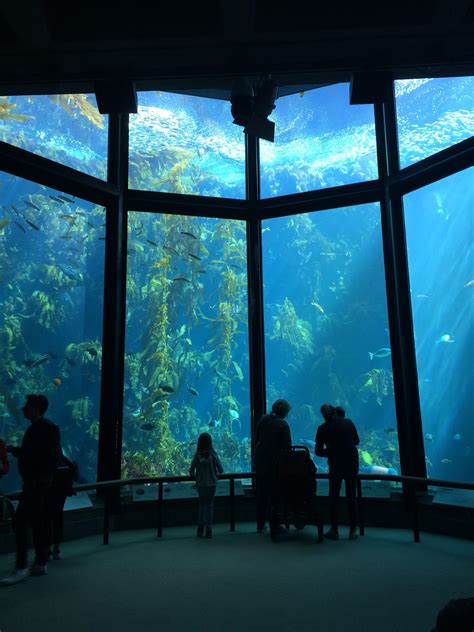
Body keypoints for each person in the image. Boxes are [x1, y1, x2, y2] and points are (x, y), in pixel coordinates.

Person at [0, 394, 60, 586]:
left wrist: (39, 478)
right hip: (37, 483)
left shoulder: (45, 429)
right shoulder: (39, 428)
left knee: (20, 523)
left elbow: (50, 457)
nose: (23, 408)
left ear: (36, 408)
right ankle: (40, 563)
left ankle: (21, 566)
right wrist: (13, 450)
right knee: (38, 523)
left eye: (27, 406)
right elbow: (32, 453)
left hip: (36, 484)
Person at [315, 403, 359, 541]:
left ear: (323, 415)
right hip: (352, 462)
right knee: (352, 495)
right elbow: (357, 441)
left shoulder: (322, 428)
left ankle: (334, 530)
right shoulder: (348, 422)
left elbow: (318, 451)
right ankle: (352, 531)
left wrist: (332, 452)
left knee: (333, 495)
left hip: (335, 464)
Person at [253, 399, 292, 534]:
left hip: (260, 461)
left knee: (262, 493)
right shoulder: (283, 425)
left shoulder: (263, 419)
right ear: (285, 412)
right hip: (274, 464)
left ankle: (260, 524)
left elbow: (257, 437)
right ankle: (275, 524)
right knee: (275, 494)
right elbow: (287, 447)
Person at [189, 432, 223, 539]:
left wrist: (195, 475)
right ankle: (209, 529)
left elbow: (191, 470)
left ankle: (200, 528)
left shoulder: (197, 455)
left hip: (201, 484)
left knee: (202, 505)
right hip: (212, 484)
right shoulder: (213, 455)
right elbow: (221, 470)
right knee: (209, 506)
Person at [47, 451, 77, 561]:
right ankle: (56, 548)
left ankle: (49, 549)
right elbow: (72, 468)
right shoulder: (61, 456)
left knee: (49, 518)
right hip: (62, 489)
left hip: (51, 490)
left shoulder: (51, 455)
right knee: (58, 517)